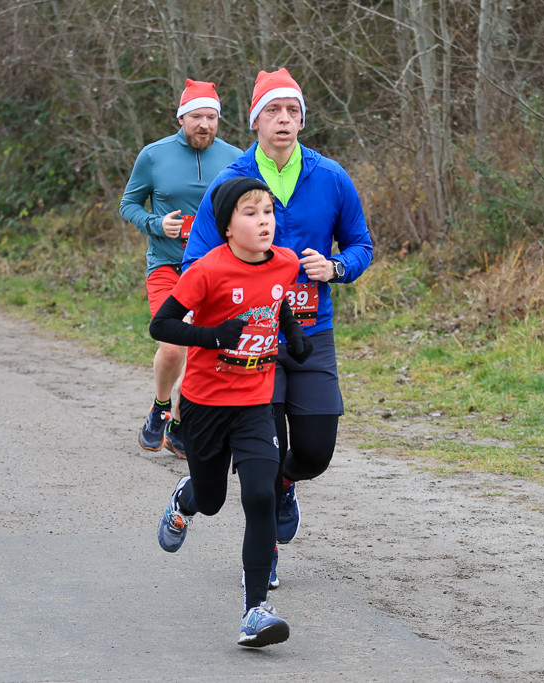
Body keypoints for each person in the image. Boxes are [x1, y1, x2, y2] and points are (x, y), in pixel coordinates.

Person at [183, 68, 374, 585]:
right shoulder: (230, 181)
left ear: (302, 119)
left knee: (313, 451)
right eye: (273, 111)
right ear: (256, 121)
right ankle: (263, 560)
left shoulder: (331, 177)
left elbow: (361, 245)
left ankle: (290, 482)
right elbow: (196, 258)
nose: (284, 120)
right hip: (253, 340)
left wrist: (335, 268)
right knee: (257, 466)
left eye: (293, 111)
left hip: (312, 333)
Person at [151, 176, 312, 647]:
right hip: (204, 405)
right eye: (251, 213)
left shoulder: (284, 263)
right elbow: (160, 324)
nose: (264, 222)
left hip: (256, 403)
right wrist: (214, 336)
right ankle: (186, 499)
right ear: (226, 226)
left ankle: (254, 611)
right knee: (214, 498)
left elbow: (276, 303)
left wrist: (293, 335)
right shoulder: (207, 271)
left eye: (268, 212)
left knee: (260, 495)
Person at [119, 79, 242, 459]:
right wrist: (158, 224)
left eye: (210, 117)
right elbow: (129, 205)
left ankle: (178, 422)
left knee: (207, 352)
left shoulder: (236, 157)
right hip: (168, 266)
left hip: (217, 269)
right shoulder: (153, 156)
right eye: (195, 117)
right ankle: (159, 406)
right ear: (181, 118)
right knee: (173, 347)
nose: (203, 124)